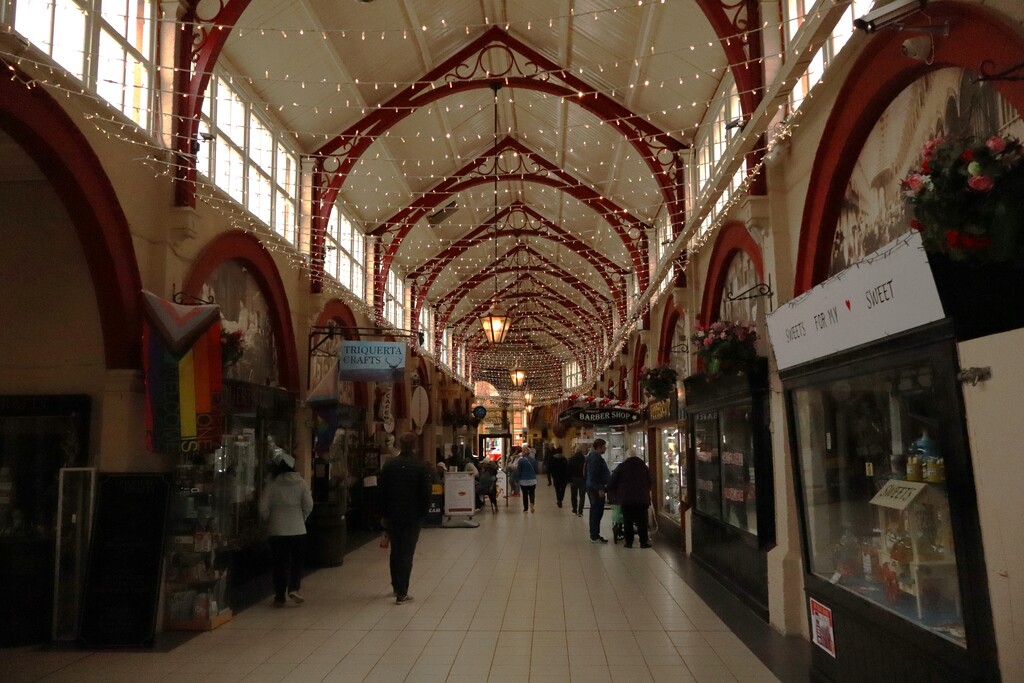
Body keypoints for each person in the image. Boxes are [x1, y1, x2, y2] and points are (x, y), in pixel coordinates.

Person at [378, 432, 431, 604]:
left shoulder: (389, 465)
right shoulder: (420, 467)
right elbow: (425, 494)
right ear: (414, 446)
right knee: (407, 553)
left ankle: (395, 586)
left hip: (393, 515)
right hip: (412, 516)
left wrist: (383, 514)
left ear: (400, 445)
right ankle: (402, 592)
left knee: (395, 551)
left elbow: (382, 492)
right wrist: (422, 514)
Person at [259, 442, 314, 607]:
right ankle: (294, 587)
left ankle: (279, 596)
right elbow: (309, 504)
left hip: (277, 529)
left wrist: (269, 518)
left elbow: (262, 506)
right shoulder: (301, 483)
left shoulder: (272, 484)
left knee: (279, 563)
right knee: (297, 561)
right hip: (298, 529)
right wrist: (302, 517)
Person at [606, 453, 654, 548]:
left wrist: (613, 491)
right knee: (642, 522)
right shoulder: (643, 467)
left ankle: (629, 542)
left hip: (626, 499)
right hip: (641, 499)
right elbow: (651, 480)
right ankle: (643, 542)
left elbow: (612, 481)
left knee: (628, 521)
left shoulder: (622, 467)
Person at [585, 439, 610, 542]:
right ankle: (594, 535)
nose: (605, 448)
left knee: (596, 510)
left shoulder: (592, 456)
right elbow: (594, 475)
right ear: (599, 447)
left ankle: (594, 534)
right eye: (604, 447)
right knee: (597, 511)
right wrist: (600, 488)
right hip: (595, 488)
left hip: (592, 487)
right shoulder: (596, 459)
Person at [517, 447, 539, 513]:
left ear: (523, 453)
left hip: (523, 481)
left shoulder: (521, 461)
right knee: (532, 493)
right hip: (532, 480)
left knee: (525, 494)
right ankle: (532, 503)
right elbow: (536, 470)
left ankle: (525, 509)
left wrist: (518, 478)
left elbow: (519, 471)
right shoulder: (533, 460)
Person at [568, 448, 586, 516]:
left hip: (574, 479)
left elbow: (568, 470)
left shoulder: (571, 459)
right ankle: (580, 511)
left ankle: (574, 509)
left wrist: (569, 480)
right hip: (582, 479)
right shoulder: (584, 459)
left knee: (574, 495)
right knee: (582, 496)